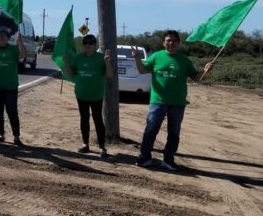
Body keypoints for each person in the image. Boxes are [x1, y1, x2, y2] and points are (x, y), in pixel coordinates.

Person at [132, 30, 213, 171]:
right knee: (151, 130)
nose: (171, 43)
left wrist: (206, 70)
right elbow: (142, 70)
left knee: (174, 133)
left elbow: (196, 78)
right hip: (157, 101)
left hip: (177, 103)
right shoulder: (156, 56)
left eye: (174, 40)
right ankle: (145, 158)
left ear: (179, 43)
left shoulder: (184, 60)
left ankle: (168, 160)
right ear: (164, 42)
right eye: (168, 40)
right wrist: (137, 58)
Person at [62, 34, 113, 157]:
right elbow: (70, 74)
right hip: (81, 94)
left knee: (98, 120)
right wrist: (67, 63)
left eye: (91, 43)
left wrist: (107, 62)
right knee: (84, 119)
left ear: (95, 45)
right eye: (85, 43)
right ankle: (85, 144)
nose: (88, 45)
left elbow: (110, 76)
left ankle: (102, 147)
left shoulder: (101, 57)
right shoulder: (78, 58)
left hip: (96, 95)